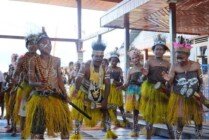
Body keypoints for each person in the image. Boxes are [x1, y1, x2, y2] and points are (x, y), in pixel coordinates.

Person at [23, 29, 72, 139]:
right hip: (40, 97)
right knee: (37, 132)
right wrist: (39, 83)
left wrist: (65, 94)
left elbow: (59, 79)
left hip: (57, 97)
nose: (48, 45)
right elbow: (31, 81)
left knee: (65, 129)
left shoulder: (56, 60)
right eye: (44, 43)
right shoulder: (33, 61)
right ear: (38, 46)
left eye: (49, 43)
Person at [70, 41, 117, 139]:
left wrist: (105, 100)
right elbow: (78, 79)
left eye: (101, 56)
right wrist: (76, 90)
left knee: (106, 109)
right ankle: (76, 134)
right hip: (83, 92)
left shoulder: (104, 68)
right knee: (79, 113)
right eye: (96, 56)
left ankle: (109, 132)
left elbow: (107, 84)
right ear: (92, 56)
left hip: (96, 93)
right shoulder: (86, 65)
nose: (99, 59)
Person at [162, 36, 206, 139]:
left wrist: (199, 93)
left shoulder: (196, 65)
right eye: (177, 56)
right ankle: (178, 137)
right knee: (180, 120)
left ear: (187, 55)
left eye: (181, 56)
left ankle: (198, 137)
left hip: (195, 96)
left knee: (197, 119)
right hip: (179, 97)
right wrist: (168, 79)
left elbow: (201, 81)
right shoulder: (174, 66)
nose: (179, 59)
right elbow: (171, 81)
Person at [139, 34, 174, 139]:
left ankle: (172, 136)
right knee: (149, 115)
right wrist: (144, 75)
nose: (158, 51)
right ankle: (148, 137)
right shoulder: (149, 61)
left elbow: (170, 79)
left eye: (161, 49)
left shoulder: (167, 63)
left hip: (163, 90)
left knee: (167, 115)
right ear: (153, 50)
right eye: (157, 49)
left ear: (164, 51)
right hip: (150, 90)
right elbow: (144, 76)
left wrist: (168, 82)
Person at [12, 33, 39, 138]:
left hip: (38, 89)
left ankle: (33, 136)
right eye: (30, 43)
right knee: (24, 114)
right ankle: (23, 135)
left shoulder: (41, 58)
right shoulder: (22, 58)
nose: (32, 45)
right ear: (27, 45)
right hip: (25, 89)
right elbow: (16, 74)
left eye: (35, 43)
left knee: (36, 115)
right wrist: (15, 83)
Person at [118, 47, 143, 137]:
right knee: (135, 111)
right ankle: (135, 128)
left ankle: (147, 127)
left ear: (140, 57)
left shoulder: (144, 67)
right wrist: (122, 86)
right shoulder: (130, 70)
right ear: (131, 60)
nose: (135, 59)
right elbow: (127, 82)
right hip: (132, 91)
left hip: (143, 90)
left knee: (145, 109)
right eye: (133, 58)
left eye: (136, 57)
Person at [107, 49, 128, 127]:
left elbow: (122, 81)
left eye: (116, 61)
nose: (114, 62)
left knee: (120, 106)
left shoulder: (119, 69)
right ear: (110, 61)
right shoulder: (107, 69)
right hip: (109, 90)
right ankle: (114, 121)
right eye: (112, 61)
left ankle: (124, 119)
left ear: (118, 61)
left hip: (117, 89)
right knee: (112, 106)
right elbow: (104, 80)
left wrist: (117, 83)